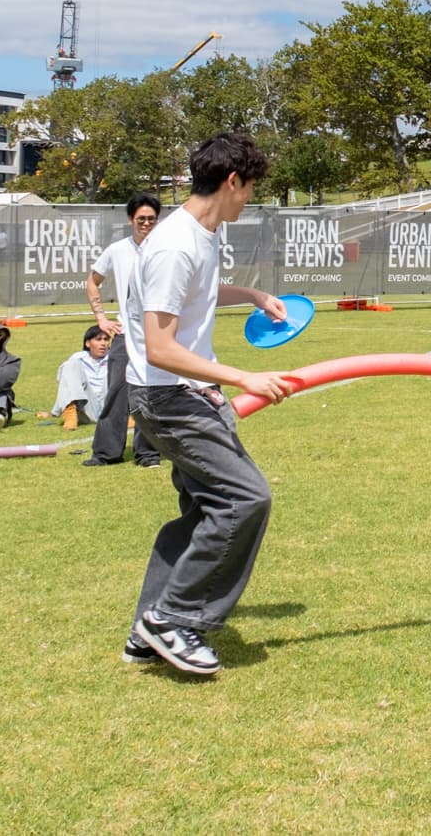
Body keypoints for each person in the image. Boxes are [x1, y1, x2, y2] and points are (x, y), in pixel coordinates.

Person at [122, 132, 293, 676]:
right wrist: (243, 376)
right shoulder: (175, 244)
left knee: (202, 512)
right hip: (170, 397)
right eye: (249, 190)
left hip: (184, 393)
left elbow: (196, 292)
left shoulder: (199, 235)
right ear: (231, 181)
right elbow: (161, 347)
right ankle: (173, 619)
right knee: (246, 499)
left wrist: (253, 296)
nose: (250, 200)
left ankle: (147, 629)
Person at [82, 194, 162, 467]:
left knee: (151, 392)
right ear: (131, 220)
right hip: (126, 335)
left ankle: (148, 453)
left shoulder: (165, 249)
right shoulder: (117, 250)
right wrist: (101, 318)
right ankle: (105, 453)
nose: (146, 224)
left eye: (151, 219)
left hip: (157, 335)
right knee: (117, 391)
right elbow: (92, 282)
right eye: (141, 219)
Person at [52, 325, 114, 429]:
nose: (103, 343)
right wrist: (55, 411)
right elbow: (65, 383)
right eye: (98, 339)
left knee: (121, 366)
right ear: (88, 343)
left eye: (106, 339)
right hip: (86, 407)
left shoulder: (114, 356)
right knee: (70, 365)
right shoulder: (78, 358)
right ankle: (70, 413)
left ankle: (128, 415)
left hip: (110, 407)